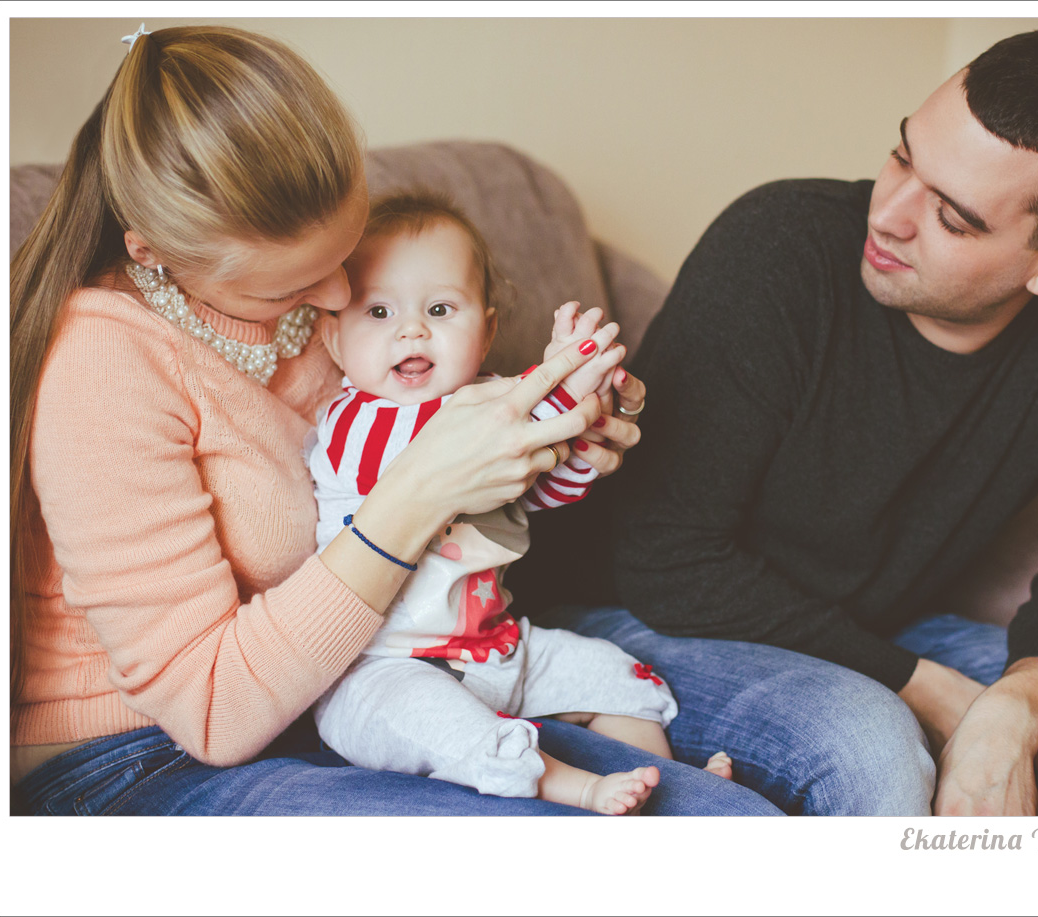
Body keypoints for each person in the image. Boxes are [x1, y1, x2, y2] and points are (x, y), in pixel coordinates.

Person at [8, 24, 780, 817]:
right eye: (292, 289)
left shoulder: (332, 315)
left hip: (363, 678)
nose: (341, 301)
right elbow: (212, 713)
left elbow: (469, 450)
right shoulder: (101, 362)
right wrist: (417, 492)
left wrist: (571, 424)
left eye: (346, 258)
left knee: (743, 804)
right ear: (154, 255)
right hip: (143, 756)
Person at [541, 27, 1038, 815]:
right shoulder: (776, 246)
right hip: (635, 622)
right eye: (902, 156)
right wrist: (924, 687)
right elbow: (666, 562)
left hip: (873, 632)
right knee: (870, 742)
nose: (886, 215)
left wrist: (1015, 706)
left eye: (952, 217)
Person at [307, 192, 733, 814]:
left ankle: (665, 779)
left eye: (441, 308)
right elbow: (443, 438)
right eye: (378, 310)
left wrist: (583, 435)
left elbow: (541, 491)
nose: (411, 329)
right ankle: (579, 788)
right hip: (379, 670)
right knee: (445, 729)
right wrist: (564, 381)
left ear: (487, 330)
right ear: (335, 341)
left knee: (614, 675)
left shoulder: (489, 402)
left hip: (499, 648)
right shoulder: (355, 424)